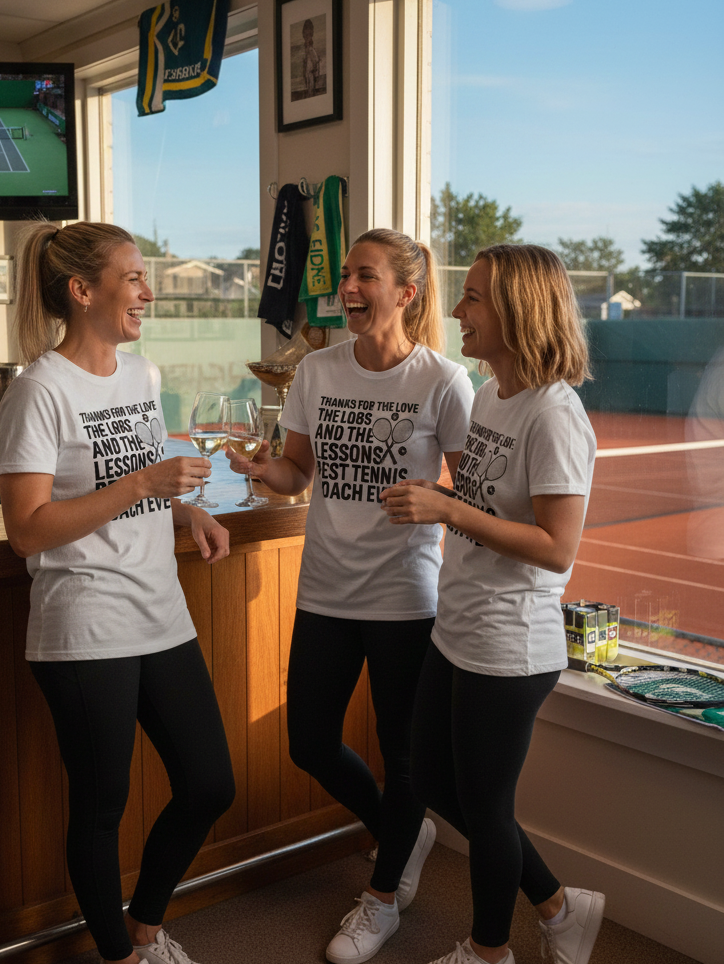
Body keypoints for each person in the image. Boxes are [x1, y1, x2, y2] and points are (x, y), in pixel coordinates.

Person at [226, 228, 474, 963]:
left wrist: (434, 495)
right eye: (349, 278)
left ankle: (382, 897)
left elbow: (470, 491)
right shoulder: (318, 371)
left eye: (368, 277)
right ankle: (406, 830)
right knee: (309, 740)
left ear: (407, 291)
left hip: (406, 595)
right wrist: (261, 468)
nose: (351, 290)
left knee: (405, 761)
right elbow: (297, 472)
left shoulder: (443, 381)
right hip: (327, 590)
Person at [0, 221, 235, 964]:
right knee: (101, 810)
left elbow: (136, 490)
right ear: (83, 290)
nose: (146, 290)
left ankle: (145, 924)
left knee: (209, 783)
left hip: (161, 612)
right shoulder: (38, 391)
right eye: (132, 277)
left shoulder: (142, 376)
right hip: (84, 623)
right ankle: (122, 955)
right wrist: (145, 482)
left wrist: (183, 508)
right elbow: (28, 529)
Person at [380, 244, 605, 964]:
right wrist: (449, 503)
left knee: (485, 810)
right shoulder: (489, 395)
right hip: (459, 629)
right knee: (433, 781)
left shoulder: (555, 415)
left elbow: (556, 546)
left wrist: (447, 510)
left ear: (516, 309)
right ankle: (563, 907)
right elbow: (483, 500)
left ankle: (488, 951)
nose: (455, 311)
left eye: (471, 298)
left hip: (511, 645)